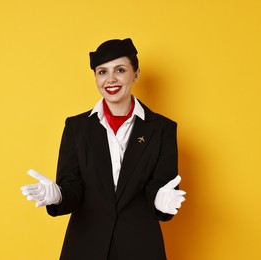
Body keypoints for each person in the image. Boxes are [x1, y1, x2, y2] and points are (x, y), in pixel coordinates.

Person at [21, 38, 186, 260]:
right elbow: (72, 187)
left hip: (141, 246)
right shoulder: (76, 127)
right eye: (102, 72)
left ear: (136, 74)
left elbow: (161, 185)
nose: (110, 79)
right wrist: (58, 196)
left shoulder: (162, 128)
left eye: (120, 70)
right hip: (85, 246)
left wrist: (159, 199)